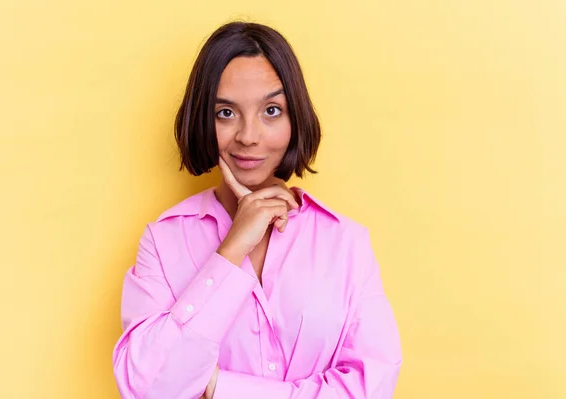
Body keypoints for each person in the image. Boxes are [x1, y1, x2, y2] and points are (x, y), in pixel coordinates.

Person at [112, 21, 402, 399]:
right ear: (202, 118)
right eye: (225, 113)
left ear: (294, 117)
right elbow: (150, 388)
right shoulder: (164, 242)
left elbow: (370, 388)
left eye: (270, 110)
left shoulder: (345, 242)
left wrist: (221, 388)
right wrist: (231, 251)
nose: (248, 135)